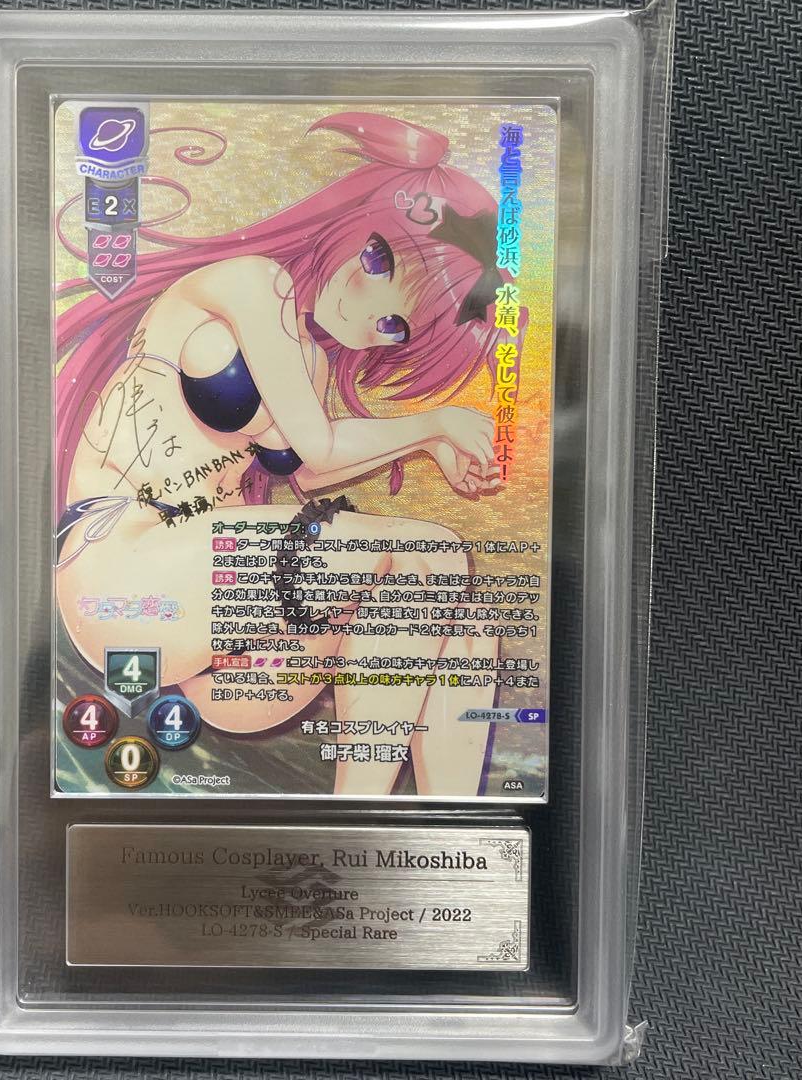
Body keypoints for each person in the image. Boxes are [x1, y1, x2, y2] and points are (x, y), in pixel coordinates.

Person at [54, 111, 525, 796]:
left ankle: (443, 830)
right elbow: (319, 448)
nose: (369, 312)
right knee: (428, 553)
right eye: (378, 259)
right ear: (355, 221)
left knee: (464, 624)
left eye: (396, 325)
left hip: (228, 656)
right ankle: (360, 826)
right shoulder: (253, 284)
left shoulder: (308, 360)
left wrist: (432, 438)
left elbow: (308, 466)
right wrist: (434, 425)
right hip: (126, 583)